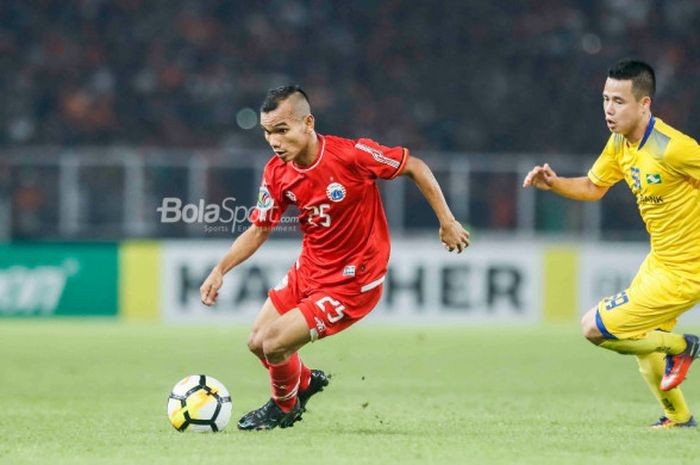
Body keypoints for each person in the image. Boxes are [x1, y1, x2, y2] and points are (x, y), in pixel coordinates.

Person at [199, 85, 470, 430]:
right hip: (310, 269)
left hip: (352, 282)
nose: (275, 142)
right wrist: (220, 269)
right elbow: (259, 229)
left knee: (274, 344)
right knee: (257, 343)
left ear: (308, 123)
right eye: (268, 133)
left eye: (282, 130)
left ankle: (284, 408)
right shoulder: (277, 173)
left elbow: (414, 166)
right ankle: (306, 382)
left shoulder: (352, 155)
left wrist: (447, 221)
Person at [523, 59, 700, 428]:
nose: (608, 108)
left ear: (645, 104)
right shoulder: (620, 143)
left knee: (595, 328)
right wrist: (553, 184)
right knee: (645, 346)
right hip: (660, 262)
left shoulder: (674, 148)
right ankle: (678, 418)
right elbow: (593, 186)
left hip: (687, 270)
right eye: (605, 98)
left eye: (619, 100)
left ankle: (684, 347)